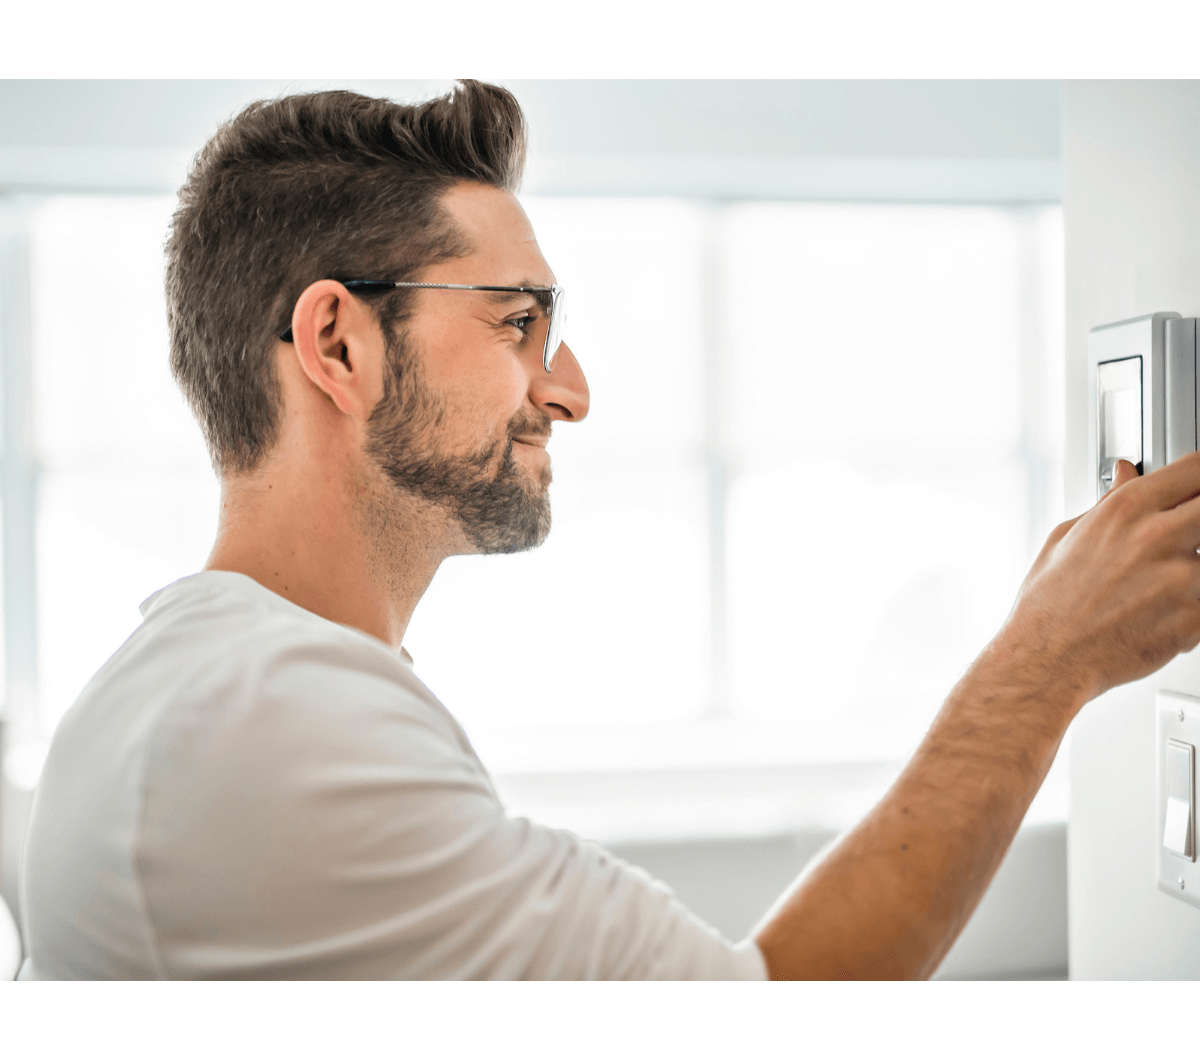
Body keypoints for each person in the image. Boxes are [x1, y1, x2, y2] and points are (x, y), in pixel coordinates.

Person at [17, 81, 1200, 980]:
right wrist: (1042, 667)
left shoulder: (201, 685)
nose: (570, 387)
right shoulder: (269, 720)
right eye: (518, 321)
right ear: (338, 345)